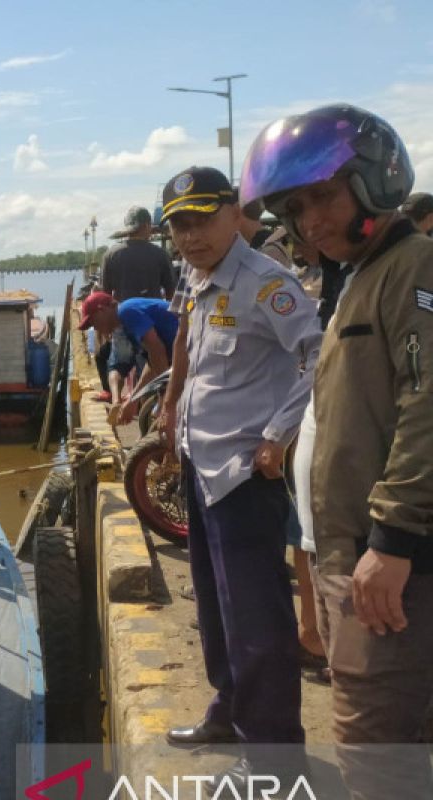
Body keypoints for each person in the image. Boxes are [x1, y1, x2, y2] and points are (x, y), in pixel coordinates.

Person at [241, 103, 433, 800]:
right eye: (296, 207)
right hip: (349, 558)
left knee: (378, 756)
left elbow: (428, 404)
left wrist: (396, 536)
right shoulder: (359, 277)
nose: (310, 220)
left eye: (323, 195)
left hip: (386, 565)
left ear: (375, 177)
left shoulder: (415, 267)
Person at [156, 166, 322, 790]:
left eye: (201, 219)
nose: (189, 235)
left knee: (258, 620)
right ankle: (228, 712)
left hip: (246, 476)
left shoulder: (267, 283)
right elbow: (191, 354)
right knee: (218, 611)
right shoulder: (197, 277)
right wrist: (172, 409)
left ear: (234, 213)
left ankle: (274, 755)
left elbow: (316, 354)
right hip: (204, 467)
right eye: (178, 224)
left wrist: (279, 433)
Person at [96, 207, 174, 400]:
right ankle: (147, 402)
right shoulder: (160, 254)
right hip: (151, 320)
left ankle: (114, 397)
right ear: (147, 226)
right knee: (149, 363)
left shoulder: (111, 255)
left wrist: (102, 331)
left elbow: (105, 296)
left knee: (118, 363)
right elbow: (172, 293)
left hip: (120, 318)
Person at [77, 290, 177, 424]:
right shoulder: (125, 326)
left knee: (165, 415)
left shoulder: (126, 312)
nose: (95, 328)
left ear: (102, 311)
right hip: (183, 355)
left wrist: (164, 397)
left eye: (93, 322)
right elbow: (152, 363)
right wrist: (133, 398)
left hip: (192, 350)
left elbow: (158, 351)